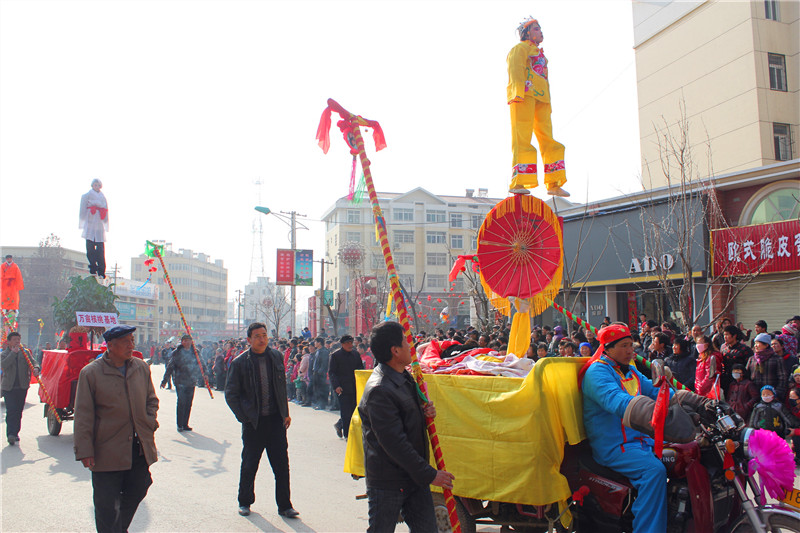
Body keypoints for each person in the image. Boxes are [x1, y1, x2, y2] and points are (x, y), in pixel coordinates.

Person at [581, 323, 703, 533]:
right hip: (615, 446)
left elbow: (660, 393)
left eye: (631, 345)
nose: (630, 351)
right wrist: (660, 416)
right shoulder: (597, 372)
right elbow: (617, 401)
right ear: (608, 348)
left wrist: (698, 403)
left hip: (640, 442)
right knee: (653, 472)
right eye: (624, 346)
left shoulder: (631, 372)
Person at [358, 321, 454, 532]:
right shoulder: (380, 389)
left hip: (414, 478)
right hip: (389, 481)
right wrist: (430, 474)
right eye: (405, 341)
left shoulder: (403, 377)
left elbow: (406, 417)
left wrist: (424, 412)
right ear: (395, 351)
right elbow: (395, 443)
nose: (410, 346)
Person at [73, 325, 159, 533]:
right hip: (106, 449)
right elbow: (83, 415)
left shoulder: (140, 368)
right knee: (106, 504)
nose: (132, 345)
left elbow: (151, 400)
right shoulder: (91, 373)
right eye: (126, 341)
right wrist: (85, 450)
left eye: (132, 340)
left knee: (140, 485)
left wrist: (149, 422)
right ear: (110, 345)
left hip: (136, 446)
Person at [225, 322, 298, 519]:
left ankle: (285, 505)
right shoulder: (240, 362)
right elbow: (231, 394)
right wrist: (245, 418)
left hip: (275, 421)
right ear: (249, 340)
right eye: (257, 336)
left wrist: (285, 412)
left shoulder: (275, 356)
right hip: (254, 423)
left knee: (282, 465)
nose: (261, 339)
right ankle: (244, 501)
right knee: (250, 464)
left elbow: (281, 387)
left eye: (264, 335)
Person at [507, 17, 568, 197]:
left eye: (539, 28)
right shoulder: (520, 49)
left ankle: (554, 182)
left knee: (549, 139)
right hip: (524, 95)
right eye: (536, 29)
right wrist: (517, 92)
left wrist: (548, 102)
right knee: (522, 137)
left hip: (541, 99)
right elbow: (515, 69)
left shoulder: (540, 55)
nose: (540, 31)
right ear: (526, 33)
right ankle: (519, 182)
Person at [1, 332, 39, 445]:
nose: (17, 341)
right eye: (14, 339)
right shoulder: (4, 353)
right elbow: (3, 365)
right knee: (11, 410)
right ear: (8, 342)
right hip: (9, 387)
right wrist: (13, 353)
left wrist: (36, 369)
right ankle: (11, 434)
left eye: (18, 339)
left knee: (18, 411)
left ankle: (15, 432)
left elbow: (34, 363)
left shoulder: (25, 353)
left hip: (22, 387)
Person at [328, 334, 364, 440]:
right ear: (342, 344)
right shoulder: (335, 356)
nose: (350, 345)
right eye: (347, 343)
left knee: (354, 411)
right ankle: (348, 434)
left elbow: (360, 369)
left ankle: (340, 425)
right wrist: (336, 386)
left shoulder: (356, 354)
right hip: (342, 388)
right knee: (345, 412)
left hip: (354, 386)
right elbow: (332, 373)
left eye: (351, 343)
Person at [161, 334, 198, 431]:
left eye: (189, 340)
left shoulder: (195, 352)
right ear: (182, 342)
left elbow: (201, 363)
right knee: (181, 402)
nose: (187, 342)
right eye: (185, 340)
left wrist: (205, 374)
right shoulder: (176, 353)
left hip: (191, 380)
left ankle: (185, 424)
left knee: (188, 403)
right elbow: (170, 366)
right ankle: (179, 424)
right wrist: (165, 380)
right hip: (180, 381)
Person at [79, 179, 109, 279]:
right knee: (90, 248)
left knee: (100, 249)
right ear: (92, 185)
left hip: (99, 224)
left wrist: (106, 224)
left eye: (98, 185)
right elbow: (82, 209)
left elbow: (105, 210)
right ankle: (93, 268)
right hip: (90, 221)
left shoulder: (103, 197)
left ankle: (101, 270)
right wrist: (82, 223)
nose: (96, 186)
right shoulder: (86, 196)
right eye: (95, 185)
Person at [748, 332, 788, 401]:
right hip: (755, 395)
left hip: (772, 395)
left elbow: (783, 378)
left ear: (766, 345)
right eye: (755, 343)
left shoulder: (777, 359)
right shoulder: (752, 359)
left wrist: (777, 394)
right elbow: (747, 376)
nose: (755, 346)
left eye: (758, 343)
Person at [311, 337, 330, 410]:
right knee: (317, 389)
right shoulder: (318, 351)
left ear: (319, 343)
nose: (315, 343)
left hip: (321, 374)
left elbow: (324, 363)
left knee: (321, 389)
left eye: (315, 342)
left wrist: (320, 371)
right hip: (316, 372)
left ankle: (322, 404)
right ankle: (319, 403)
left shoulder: (324, 351)